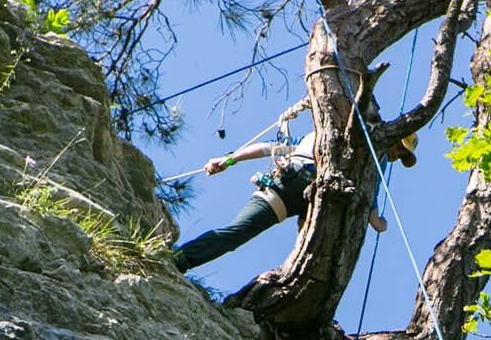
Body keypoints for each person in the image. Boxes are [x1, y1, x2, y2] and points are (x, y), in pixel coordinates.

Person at [172, 117, 418, 274]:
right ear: (391, 136)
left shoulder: (364, 157)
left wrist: (227, 160)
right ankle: (178, 259)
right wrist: (228, 159)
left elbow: (370, 192)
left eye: (402, 154)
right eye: (398, 147)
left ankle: (180, 259)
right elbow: (271, 147)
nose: (396, 155)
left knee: (307, 261)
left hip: (309, 198)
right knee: (238, 233)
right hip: (295, 185)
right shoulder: (368, 147)